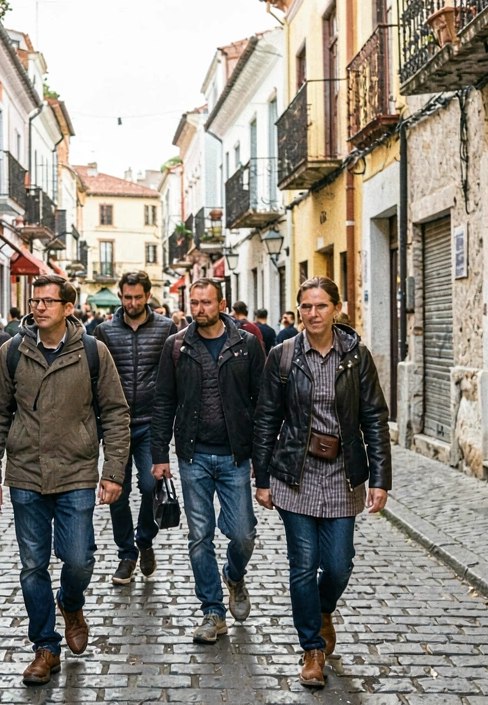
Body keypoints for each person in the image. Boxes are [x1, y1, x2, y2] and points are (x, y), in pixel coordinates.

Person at [0, 275, 130, 686]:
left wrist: (113, 471)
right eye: (35, 300)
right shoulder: (12, 352)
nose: (40, 307)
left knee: (79, 559)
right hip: (26, 472)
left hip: (77, 470)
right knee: (33, 565)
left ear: (68, 307)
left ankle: (72, 602)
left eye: (49, 301)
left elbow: (115, 413)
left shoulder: (93, 352)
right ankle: (45, 647)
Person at [252, 276, 391, 688]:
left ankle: (322, 606)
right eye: (306, 307)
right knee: (302, 565)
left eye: (321, 306)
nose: (313, 314)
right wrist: (262, 478)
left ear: (336, 308)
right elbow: (265, 420)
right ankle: (312, 648)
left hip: (343, 474)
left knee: (338, 563)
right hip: (295, 473)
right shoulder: (283, 356)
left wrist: (380, 478)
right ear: (299, 311)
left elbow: (375, 419)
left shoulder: (356, 355)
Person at [149, 278, 264, 646]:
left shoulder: (246, 345)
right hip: (193, 455)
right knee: (200, 536)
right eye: (195, 302)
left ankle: (234, 574)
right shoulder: (177, 346)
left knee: (243, 533)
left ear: (222, 304)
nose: (200, 309)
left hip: (235, 455)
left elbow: (262, 404)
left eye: (207, 302)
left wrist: (263, 460)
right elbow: (164, 401)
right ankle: (212, 611)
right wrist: (159, 455)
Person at [94, 272, 176, 584]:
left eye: (137, 297)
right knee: (117, 491)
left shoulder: (166, 328)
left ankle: (145, 539)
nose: (132, 303)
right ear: (120, 296)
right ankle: (126, 554)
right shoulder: (104, 330)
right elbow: (97, 376)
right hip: (116, 424)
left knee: (147, 484)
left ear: (147, 295)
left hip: (151, 423)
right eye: (127, 297)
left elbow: (171, 375)